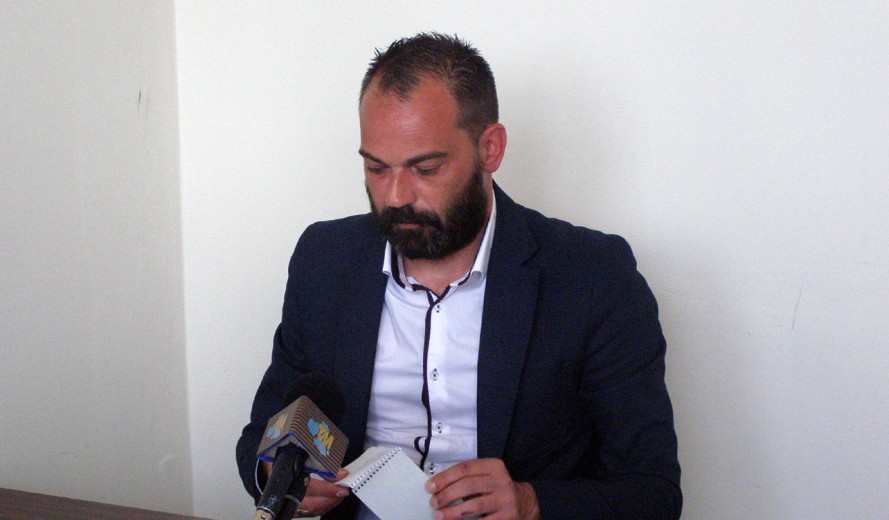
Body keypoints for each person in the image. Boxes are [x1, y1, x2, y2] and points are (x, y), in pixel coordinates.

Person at [237, 32, 681, 520]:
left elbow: (652, 493)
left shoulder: (593, 276)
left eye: (426, 168)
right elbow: (262, 435)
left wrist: (531, 503)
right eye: (376, 168)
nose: (396, 196)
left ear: (490, 149)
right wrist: (278, 474)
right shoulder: (324, 260)